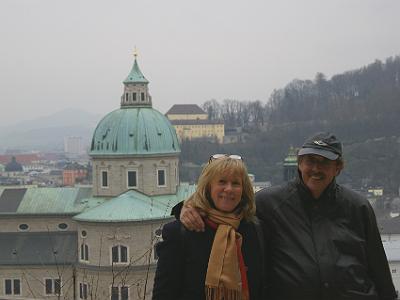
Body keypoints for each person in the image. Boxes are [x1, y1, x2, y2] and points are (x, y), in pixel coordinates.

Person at [179, 132, 397, 300]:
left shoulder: (357, 207)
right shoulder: (269, 203)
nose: (316, 168)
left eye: (324, 162)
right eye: (310, 161)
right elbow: (225, 207)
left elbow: (379, 270)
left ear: (338, 168)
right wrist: (185, 208)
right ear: (300, 164)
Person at [152, 154, 264, 300]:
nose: (229, 189)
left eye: (236, 183)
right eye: (222, 182)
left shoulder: (254, 229)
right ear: (209, 186)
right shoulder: (181, 232)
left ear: (244, 190)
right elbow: (164, 294)